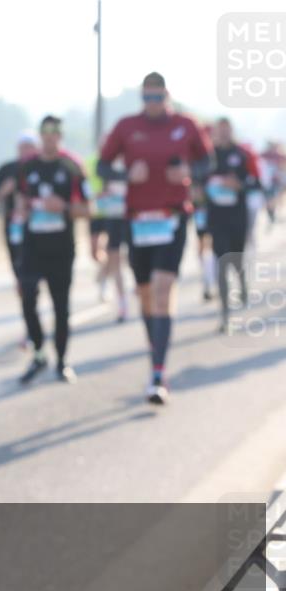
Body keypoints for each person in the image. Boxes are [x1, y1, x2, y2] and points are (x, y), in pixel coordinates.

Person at [99, 72, 213, 405]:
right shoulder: (126, 126)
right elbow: (104, 167)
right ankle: (156, 352)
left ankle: (158, 373)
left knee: (164, 292)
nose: (152, 104)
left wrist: (190, 174)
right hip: (138, 222)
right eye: (146, 98)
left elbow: (208, 162)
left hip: (173, 217)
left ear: (168, 96)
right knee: (146, 296)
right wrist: (124, 174)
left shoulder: (186, 125)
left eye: (158, 97)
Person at [15, 116, 89, 384]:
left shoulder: (71, 167)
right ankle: (38, 352)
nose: (50, 136)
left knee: (61, 306)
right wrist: (23, 207)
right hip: (32, 245)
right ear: (40, 135)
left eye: (55, 132)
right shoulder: (27, 167)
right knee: (27, 299)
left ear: (60, 135)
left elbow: (87, 209)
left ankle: (62, 360)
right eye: (45, 132)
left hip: (61, 247)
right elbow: (20, 198)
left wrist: (65, 207)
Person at [206, 118, 260, 333]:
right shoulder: (207, 156)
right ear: (215, 133)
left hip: (237, 217)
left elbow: (256, 183)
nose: (224, 135)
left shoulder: (242, 154)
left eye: (227, 131)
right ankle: (225, 315)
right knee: (222, 262)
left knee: (236, 258)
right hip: (216, 218)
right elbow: (196, 180)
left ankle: (243, 285)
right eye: (220, 131)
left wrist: (239, 184)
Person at [0, 132, 40, 309]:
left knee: (37, 276)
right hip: (14, 229)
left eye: (30, 146)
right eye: (23, 147)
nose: (26, 151)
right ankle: (28, 315)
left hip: (39, 228)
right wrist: (3, 191)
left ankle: (33, 313)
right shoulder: (7, 169)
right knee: (21, 276)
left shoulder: (42, 166)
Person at [86, 148, 130, 322]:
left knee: (128, 260)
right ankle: (123, 305)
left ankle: (103, 276)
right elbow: (91, 189)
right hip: (109, 216)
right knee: (112, 258)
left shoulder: (131, 160)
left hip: (130, 218)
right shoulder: (102, 166)